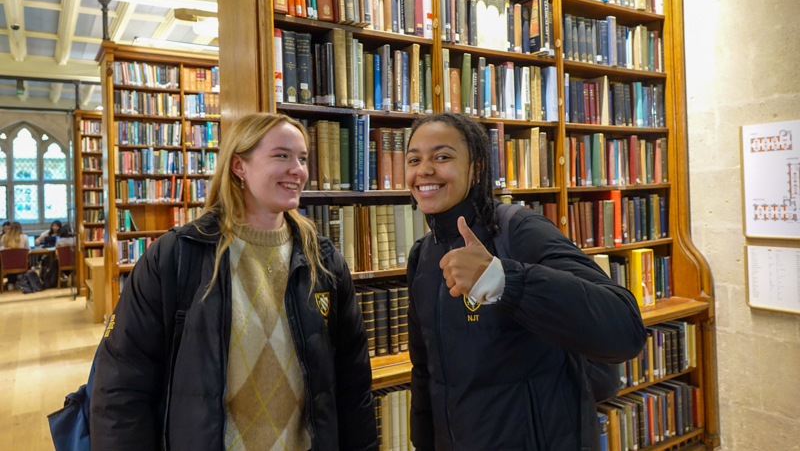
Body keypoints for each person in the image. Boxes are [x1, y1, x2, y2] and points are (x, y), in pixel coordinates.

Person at [90, 113, 377, 451]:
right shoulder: (178, 257)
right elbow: (121, 385)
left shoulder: (324, 261)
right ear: (239, 166)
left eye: (302, 158)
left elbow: (352, 383)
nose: (297, 169)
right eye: (281, 155)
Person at [404, 113, 647, 451]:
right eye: (414, 159)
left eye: (442, 156)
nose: (425, 169)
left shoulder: (518, 229)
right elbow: (425, 372)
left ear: (475, 167)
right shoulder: (422, 257)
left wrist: (504, 279)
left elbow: (625, 328)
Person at [0, 221, 30, 290]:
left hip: (7, 265)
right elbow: (28, 250)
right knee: (20, 262)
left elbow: (1, 250)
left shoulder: (4, 237)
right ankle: (21, 282)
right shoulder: (24, 237)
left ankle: (11, 283)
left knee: (10, 263)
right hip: (21, 264)